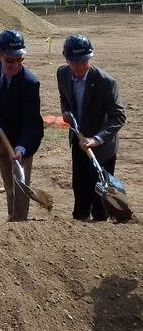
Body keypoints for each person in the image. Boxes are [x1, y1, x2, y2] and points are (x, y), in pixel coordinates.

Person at [57, 34, 126, 221]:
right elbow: (64, 97)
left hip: (102, 145)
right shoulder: (62, 74)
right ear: (67, 60)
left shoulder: (106, 82)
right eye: (74, 62)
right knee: (80, 184)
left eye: (83, 62)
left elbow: (119, 116)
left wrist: (96, 139)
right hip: (79, 139)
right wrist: (67, 113)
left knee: (99, 190)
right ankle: (79, 219)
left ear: (90, 58)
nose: (79, 67)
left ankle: (100, 221)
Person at [0, 29, 44, 221]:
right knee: (9, 184)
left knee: (20, 183)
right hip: (1, 135)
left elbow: (31, 121)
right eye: (9, 60)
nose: (15, 64)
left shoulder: (30, 82)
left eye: (19, 59)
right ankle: (11, 216)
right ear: (0, 55)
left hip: (24, 139)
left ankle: (19, 221)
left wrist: (21, 149)